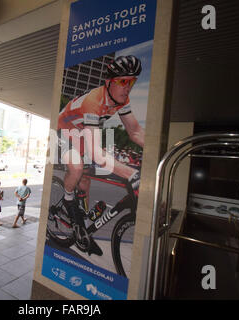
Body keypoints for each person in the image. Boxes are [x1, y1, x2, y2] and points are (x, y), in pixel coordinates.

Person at [57, 55, 145, 256]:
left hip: (81, 131)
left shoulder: (122, 100)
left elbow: (136, 132)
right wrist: (131, 173)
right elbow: (96, 152)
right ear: (108, 82)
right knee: (77, 167)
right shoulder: (93, 101)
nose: (128, 87)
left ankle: (82, 223)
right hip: (65, 129)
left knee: (86, 179)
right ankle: (68, 198)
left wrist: (159, 154)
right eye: (123, 81)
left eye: (132, 81)